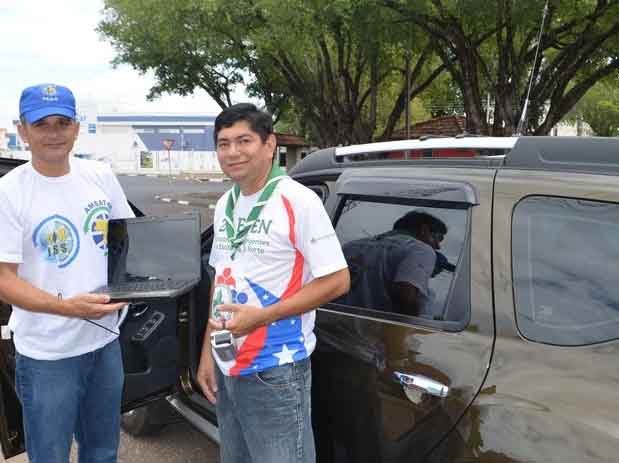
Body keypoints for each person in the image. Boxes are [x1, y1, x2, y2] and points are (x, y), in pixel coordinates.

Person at [196, 103, 350, 463]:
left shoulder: (297, 201)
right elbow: (222, 279)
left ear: (269, 145)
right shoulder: (227, 203)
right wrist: (207, 354)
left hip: (275, 369)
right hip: (228, 361)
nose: (232, 152)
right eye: (223, 143)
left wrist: (263, 317)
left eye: (244, 141)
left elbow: (338, 280)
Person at [0, 83, 134, 462]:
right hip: (47, 355)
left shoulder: (100, 175)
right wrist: (68, 308)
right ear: (22, 130)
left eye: (62, 123)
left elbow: (128, 242)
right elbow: (4, 280)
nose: (53, 133)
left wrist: (142, 284)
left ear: (76, 128)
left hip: (104, 343)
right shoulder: (9, 192)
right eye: (41, 124)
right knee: (50, 455)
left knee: (102, 452)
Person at [339, 210, 448, 318]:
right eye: (438, 238)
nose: (438, 246)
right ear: (424, 230)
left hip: (333, 323)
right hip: (374, 328)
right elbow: (405, 298)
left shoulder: (350, 246)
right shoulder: (419, 249)